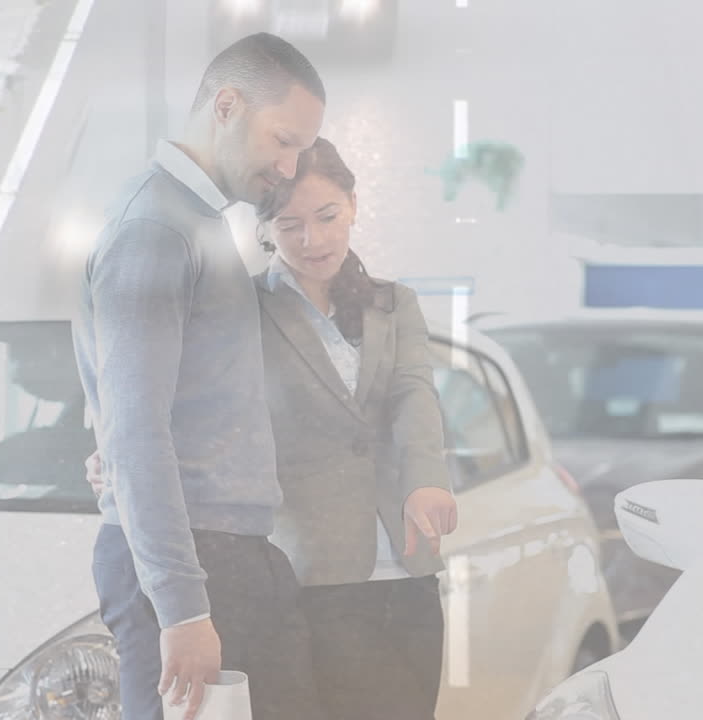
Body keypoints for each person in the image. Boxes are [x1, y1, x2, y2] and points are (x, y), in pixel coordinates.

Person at [88, 137, 459, 719]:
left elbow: (415, 394)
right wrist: (109, 453)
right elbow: (180, 395)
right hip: (311, 569)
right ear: (264, 229)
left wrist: (426, 477)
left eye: (328, 216)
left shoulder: (394, 303)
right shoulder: (245, 309)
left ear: (354, 205)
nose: (314, 240)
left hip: (408, 566)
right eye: (291, 225)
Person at [71, 33, 327, 720]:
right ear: (225, 105)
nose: (289, 165)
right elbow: (135, 428)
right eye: (282, 140)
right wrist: (181, 609)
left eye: (300, 148)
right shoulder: (156, 229)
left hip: (228, 553)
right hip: (192, 565)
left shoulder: (200, 223)